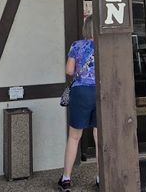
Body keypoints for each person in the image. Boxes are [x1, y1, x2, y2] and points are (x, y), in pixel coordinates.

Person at [58, 16, 97, 191]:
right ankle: (101, 176)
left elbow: (69, 70)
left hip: (81, 92)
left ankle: (66, 178)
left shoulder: (77, 45)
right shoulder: (104, 45)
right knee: (100, 136)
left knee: (74, 137)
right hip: (100, 92)